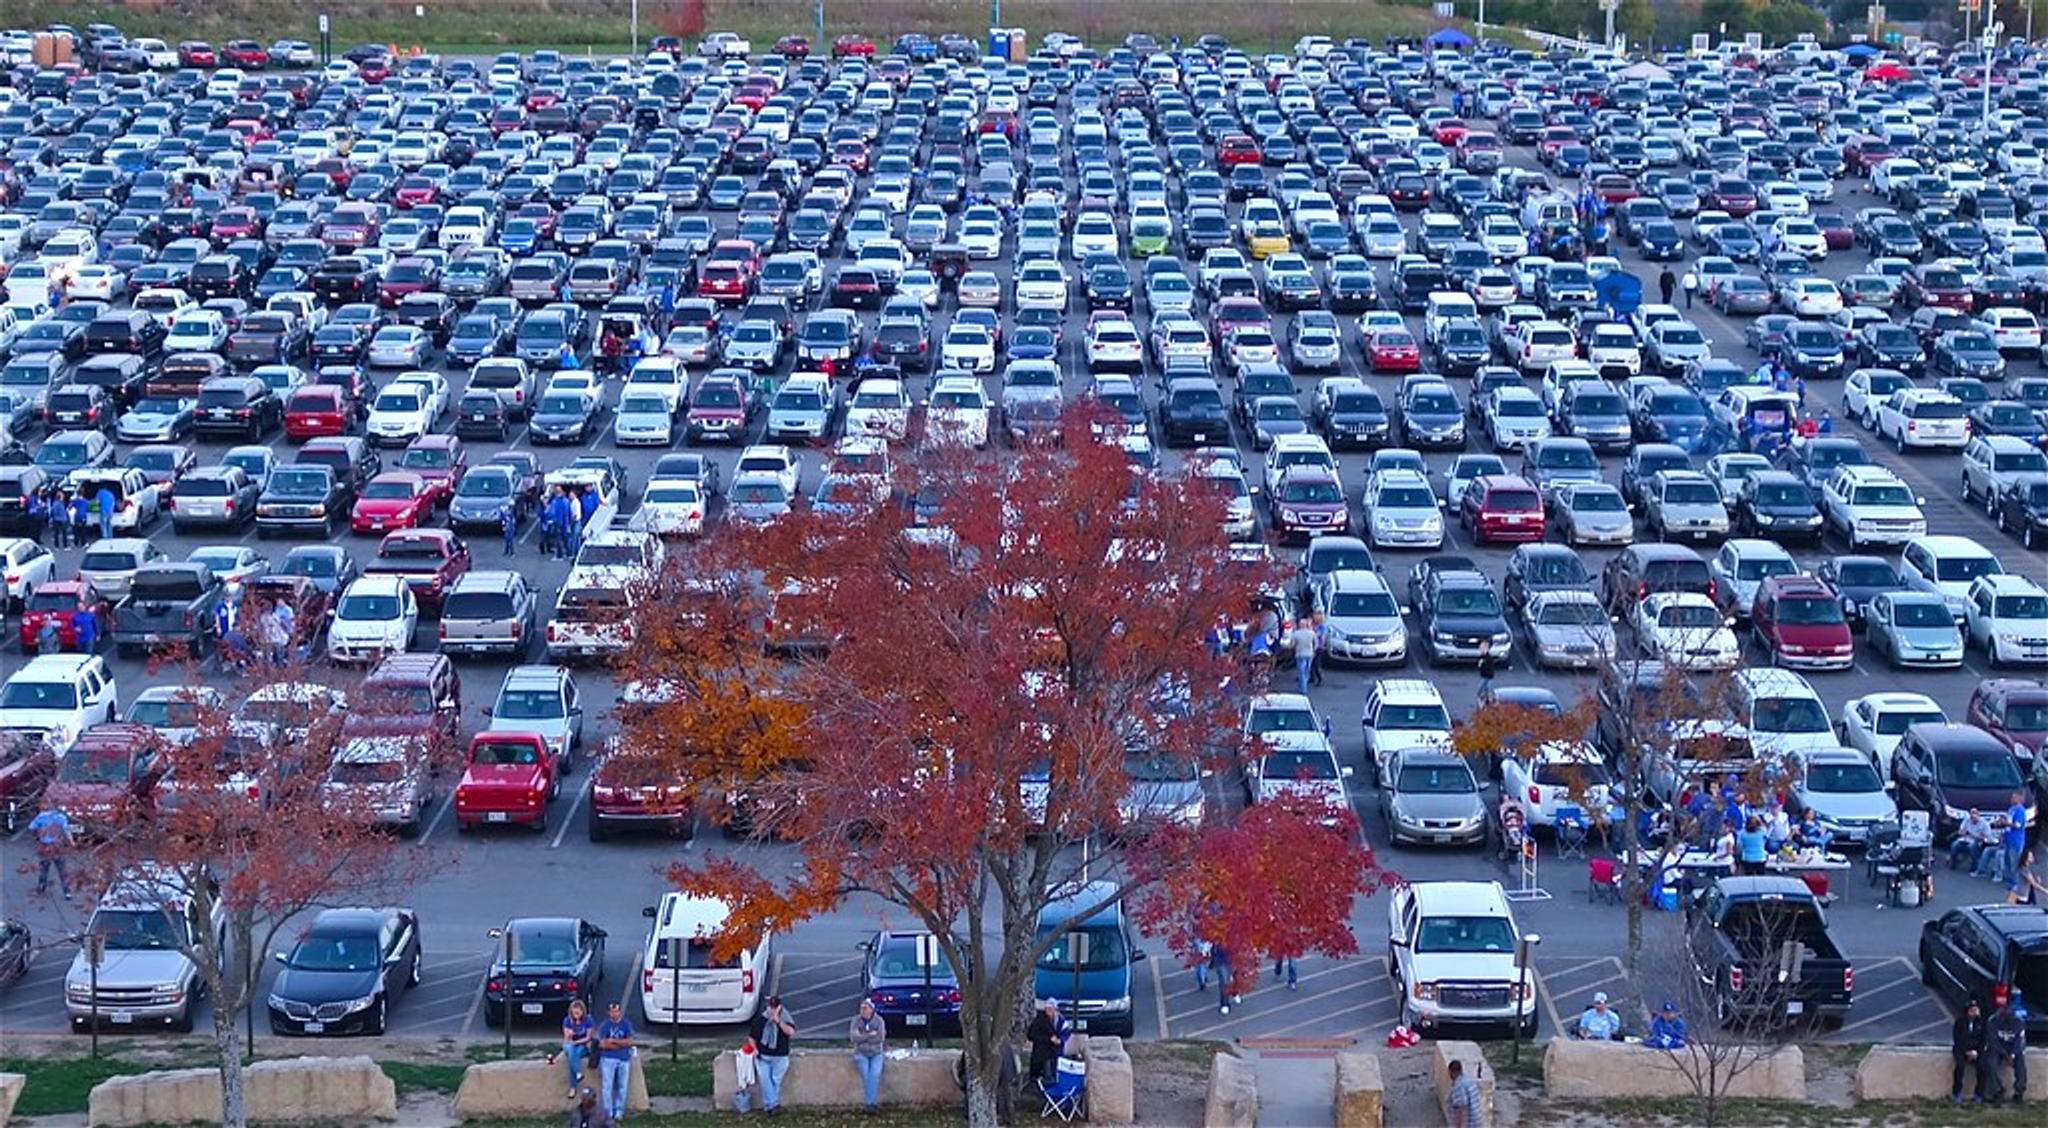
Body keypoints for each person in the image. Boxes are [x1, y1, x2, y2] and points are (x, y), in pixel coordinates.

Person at [740, 995, 795, 1114]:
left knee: (775, 1081)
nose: (772, 1010)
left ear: (779, 1007)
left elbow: (790, 1032)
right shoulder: (761, 1020)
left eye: (775, 1007)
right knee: (765, 1081)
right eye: (771, 1007)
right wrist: (755, 1049)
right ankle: (772, 1105)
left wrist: (778, 1022)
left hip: (780, 1056)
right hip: (763, 1056)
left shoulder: (785, 1016)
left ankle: (770, 1106)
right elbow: (752, 1037)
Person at [594, 1001, 635, 1123]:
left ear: (620, 1012)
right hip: (608, 1059)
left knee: (622, 1086)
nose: (614, 1014)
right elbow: (602, 1044)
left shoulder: (626, 1024)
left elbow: (630, 1041)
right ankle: (608, 1113)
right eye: (612, 1011)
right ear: (609, 1012)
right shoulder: (604, 1025)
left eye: (616, 1011)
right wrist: (621, 1043)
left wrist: (613, 1041)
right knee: (607, 1086)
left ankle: (619, 1111)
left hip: (624, 1059)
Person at [1989, 992, 2028, 1103]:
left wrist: (2013, 1054)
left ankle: (2019, 1092)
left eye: (2008, 1010)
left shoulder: (2019, 1022)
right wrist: (2005, 1054)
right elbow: (1993, 1041)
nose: (2006, 1012)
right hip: (1998, 1049)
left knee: (2021, 1066)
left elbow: (2020, 1041)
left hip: (2014, 1049)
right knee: (1990, 1063)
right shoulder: (1993, 1021)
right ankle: (1998, 1091)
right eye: (2003, 1010)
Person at [27, 800, 72, 898]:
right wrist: (71, 841)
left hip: (45, 846)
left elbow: (31, 828)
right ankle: (67, 891)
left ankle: (41, 887)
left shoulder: (41, 817)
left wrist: (37, 835)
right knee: (62, 869)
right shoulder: (61, 817)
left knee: (44, 868)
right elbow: (66, 831)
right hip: (57, 846)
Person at [849, 998, 886, 1112]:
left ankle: (869, 1104)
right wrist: (870, 1035)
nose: (862, 1011)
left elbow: (880, 1038)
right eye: (861, 1008)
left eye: (865, 1008)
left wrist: (863, 1036)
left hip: (876, 1053)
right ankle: (871, 1104)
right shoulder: (856, 1021)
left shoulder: (879, 1021)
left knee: (874, 1075)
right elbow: (854, 1038)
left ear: (871, 1009)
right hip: (861, 1053)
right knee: (866, 1076)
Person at [1956, 998, 1992, 1103]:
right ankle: (1957, 1092)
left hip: (1977, 1051)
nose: (1974, 1013)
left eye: (1976, 1010)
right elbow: (1958, 1039)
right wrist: (1966, 1051)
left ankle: (1979, 1094)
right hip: (1962, 1049)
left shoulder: (1981, 1022)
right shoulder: (1960, 1022)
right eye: (1972, 1010)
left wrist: (1977, 1051)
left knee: (1982, 1066)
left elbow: (1984, 1039)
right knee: (1960, 1066)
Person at [560, 999, 595, 1098]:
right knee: (571, 1051)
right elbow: (567, 1038)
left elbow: (588, 1037)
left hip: (582, 1044)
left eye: (578, 1012)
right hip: (569, 1044)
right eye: (574, 1012)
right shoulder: (567, 1020)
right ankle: (578, 1073)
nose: (576, 1014)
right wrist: (571, 1035)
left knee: (573, 1056)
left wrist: (576, 1042)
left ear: (582, 1011)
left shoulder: (588, 1019)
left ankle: (573, 1088)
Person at [1026, 998, 1066, 1085]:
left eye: (1051, 1009)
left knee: (1053, 1071)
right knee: (1046, 1073)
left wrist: (1060, 1040)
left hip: (1054, 1052)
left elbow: (1065, 1032)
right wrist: (1048, 1039)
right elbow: (1031, 1035)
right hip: (1042, 1052)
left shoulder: (1059, 1020)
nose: (1049, 1011)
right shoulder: (1039, 1020)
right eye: (1047, 1009)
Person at [1446, 1058, 1481, 1128]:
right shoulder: (1469, 1080)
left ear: (1451, 1072)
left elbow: (1462, 1108)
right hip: (1476, 1121)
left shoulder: (1459, 1086)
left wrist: (1460, 1126)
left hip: (1468, 1124)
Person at [1290, 617, 1316, 695]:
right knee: (1307, 671)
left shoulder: (1296, 634)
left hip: (1300, 654)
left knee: (1301, 672)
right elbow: (1316, 643)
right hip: (1309, 654)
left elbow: (1292, 644)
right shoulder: (1312, 633)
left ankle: (1303, 689)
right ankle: (1302, 686)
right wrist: (1314, 650)